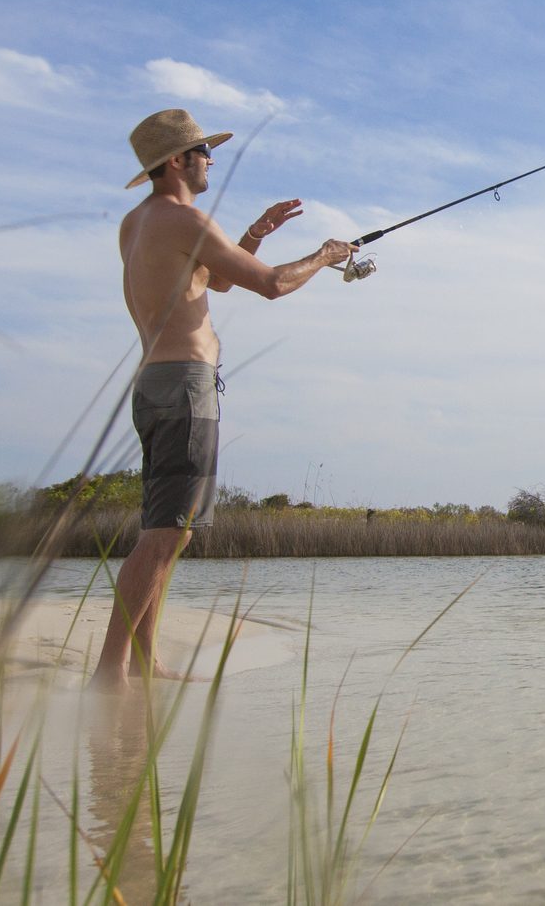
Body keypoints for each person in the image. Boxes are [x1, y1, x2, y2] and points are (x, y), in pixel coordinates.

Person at [92, 108, 355, 690]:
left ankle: (143, 662)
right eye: (205, 151)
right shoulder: (184, 218)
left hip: (153, 385)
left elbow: (211, 279)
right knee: (167, 535)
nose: (212, 159)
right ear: (179, 161)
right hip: (185, 386)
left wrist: (256, 233)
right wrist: (325, 256)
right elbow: (269, 284)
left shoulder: (138, 222)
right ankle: (109, 674)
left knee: (165, 530)